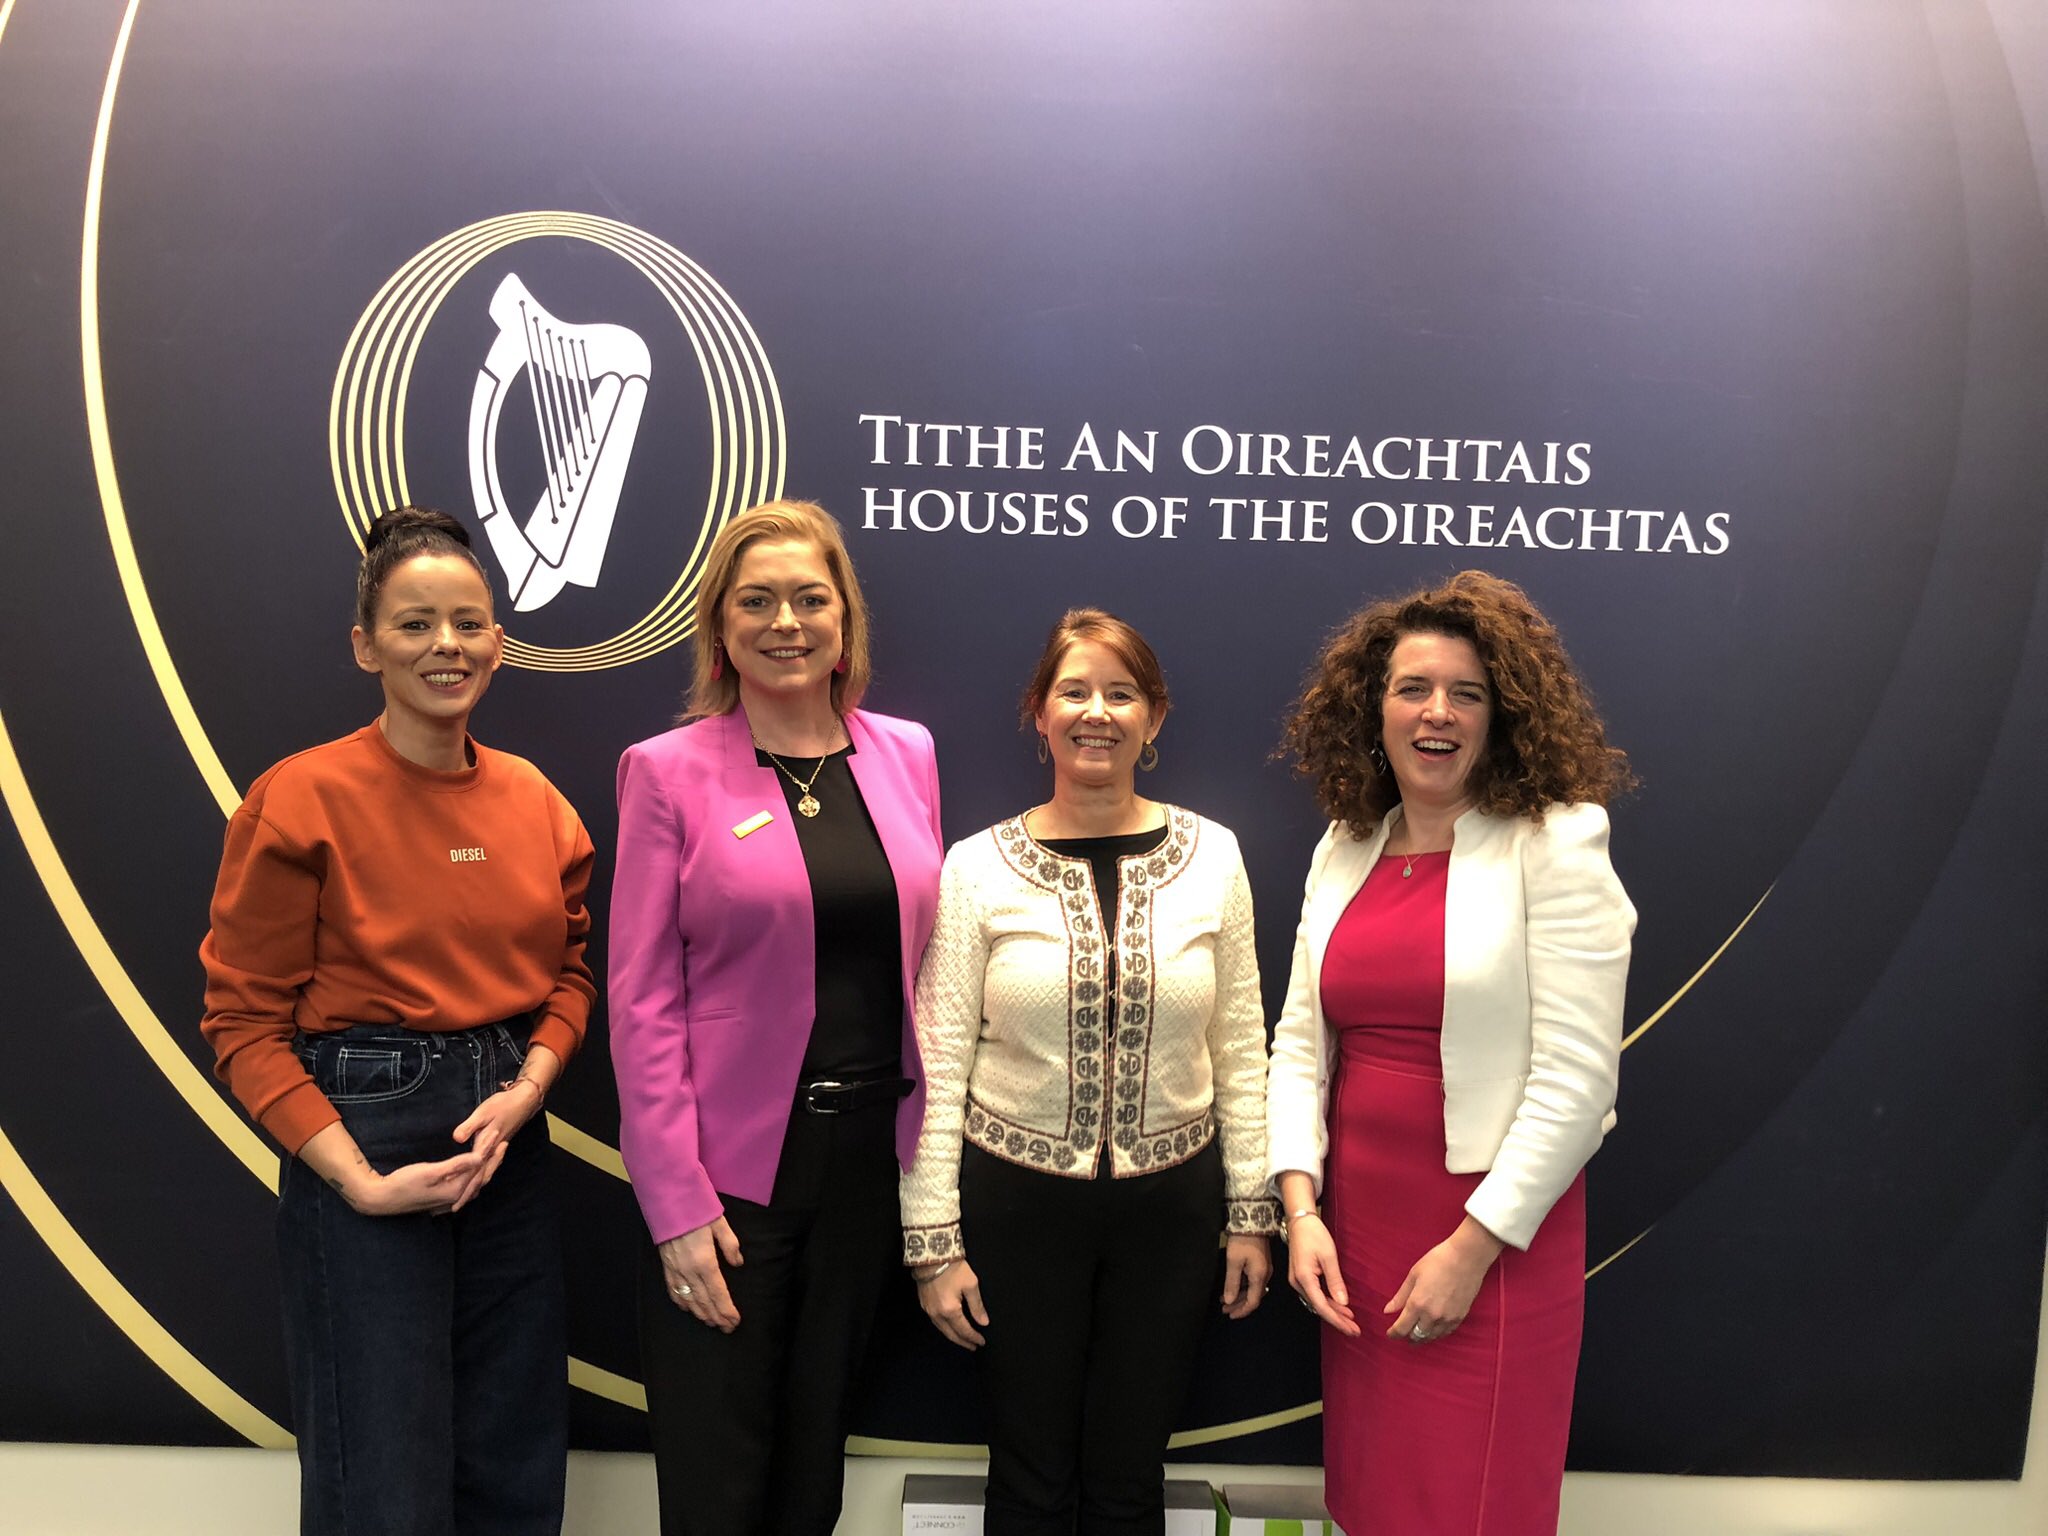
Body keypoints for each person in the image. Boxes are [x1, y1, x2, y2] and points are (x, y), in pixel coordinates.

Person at [199, 506, 595, 1536]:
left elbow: (573, 976)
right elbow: (244, 1020)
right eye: (414, 625)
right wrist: (358, 1183)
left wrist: (529, 1088)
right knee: (379, 1468)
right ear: (365, 646)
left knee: (513, 1457)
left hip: (509, 1138)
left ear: (499, 641)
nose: (445, 646)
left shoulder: (537, 803)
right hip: (361, 1133)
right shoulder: (298, 799)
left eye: (466, 623)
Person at [1266, 570, 1636, 1536]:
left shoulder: (1556, 843)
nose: (1438, 713)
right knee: (1372, 1500)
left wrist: (1473, 1250)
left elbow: (1579, 1081)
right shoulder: (1346, 845)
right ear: (1372, 708)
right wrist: (1300, 1211)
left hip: (1492, 1242)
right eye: (1413, 689)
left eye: (1467, 693)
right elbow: (1300, 1042)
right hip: (1359, 1236)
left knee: (1470, 1508)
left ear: (1503, 715)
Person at [904, 607, 1281, 1536]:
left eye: (1122, 693)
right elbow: (939, 1057)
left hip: (1171, 1211)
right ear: (1040, 712)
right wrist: (932, 1242)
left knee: (1128, 1476)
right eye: (1074, 691)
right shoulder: (975, 868)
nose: (1096, 712)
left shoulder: (1215, 855)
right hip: (1016, 1207)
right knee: (1029, 1476)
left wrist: (1250, 1213)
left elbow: (1241, 1043)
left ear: (1154, 717)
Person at [608, 499, 944, 1536]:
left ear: (845, 619)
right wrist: (676, 1205)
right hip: (730, 1181)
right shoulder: (664, 772)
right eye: (756, 601)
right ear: (718, 625)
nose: (785, 621)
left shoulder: (907, 754)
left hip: (863, 1171)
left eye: (810, 598)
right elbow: (639, 996)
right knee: (718, 1484)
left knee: (812, 1479)